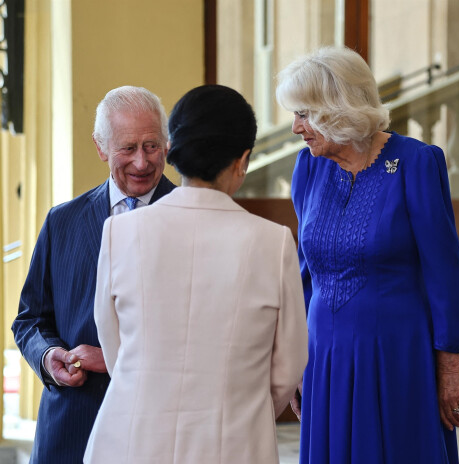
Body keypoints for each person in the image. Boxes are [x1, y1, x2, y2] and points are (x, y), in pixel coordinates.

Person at [83, 84, 309, 464]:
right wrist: (238, 411)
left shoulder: (119, 233)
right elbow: (287, 367)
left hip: (130, 440)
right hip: (232, 444)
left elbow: (115, 346)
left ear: (173, 150)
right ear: (243, 159)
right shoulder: (274, 243)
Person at [276, 46, 459, 463]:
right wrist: (294, 357)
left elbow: (444, 271)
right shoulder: (309, 167)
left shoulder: (417, 162)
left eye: (304, 114)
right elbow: (304, 272)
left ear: (337, 108)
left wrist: (449, 368)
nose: (296, 128)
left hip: (397, 355)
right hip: (324, 355)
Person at [12, 86, 176, 464]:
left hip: (161, 429)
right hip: (72, 427)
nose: (141, 162)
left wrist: (113, 358)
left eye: (152, 146)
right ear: (101, 148)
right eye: (127, 148)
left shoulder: (192, 221)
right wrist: (49, 356)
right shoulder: (62, 221)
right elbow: (30, 319)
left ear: (167, 145)